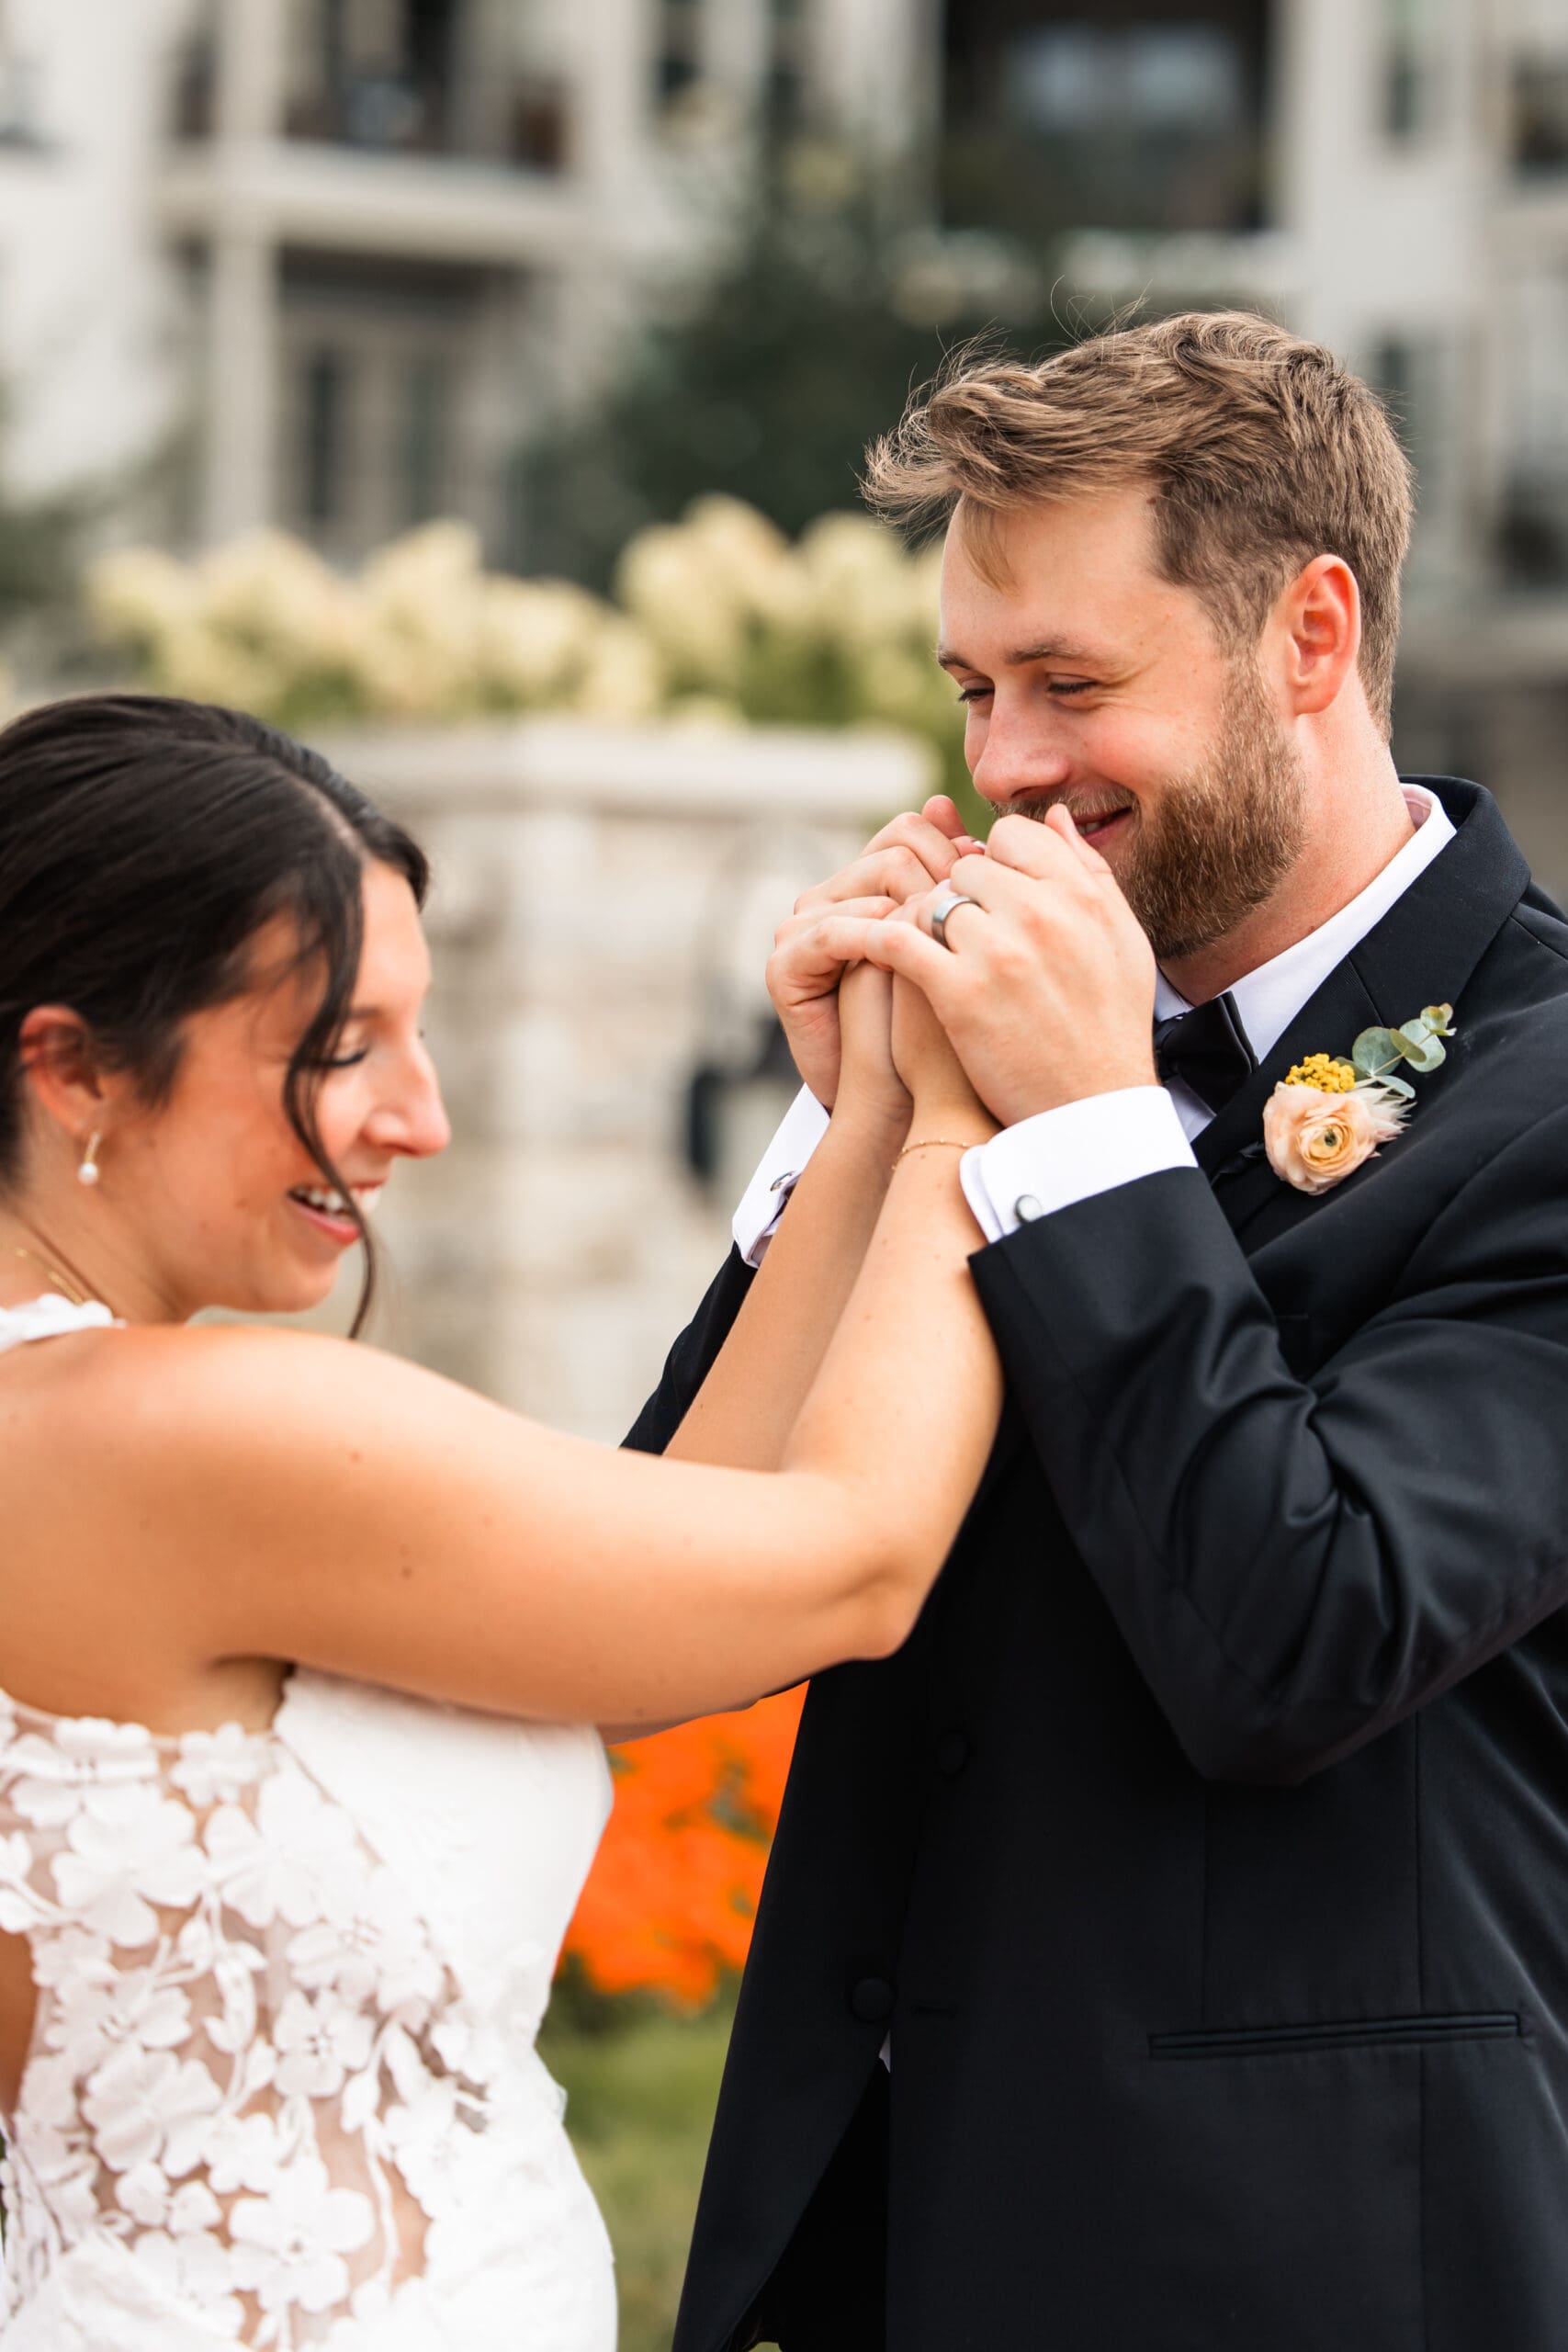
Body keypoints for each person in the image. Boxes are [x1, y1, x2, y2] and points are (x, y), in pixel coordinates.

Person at [635, 312, 1568, 2352]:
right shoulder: (988, 1056)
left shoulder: (1544, 1091)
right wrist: (854, 1127)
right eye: (974, 690)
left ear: (1308, 635)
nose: (1002, 768)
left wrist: (1080, 1128)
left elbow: (1301, 1640)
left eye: (1068, 685)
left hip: (1306, 2270)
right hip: (879, 2237)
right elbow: (676, 1582)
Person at [0, 691, 1004, 2351]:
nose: (420, 1117)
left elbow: (658, 1588)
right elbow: (857, 1560)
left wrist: (872, 1120)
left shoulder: (80, 1436)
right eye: (342, 1049)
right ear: (76, 1067)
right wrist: (983, 1110)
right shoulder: (170, 1433)